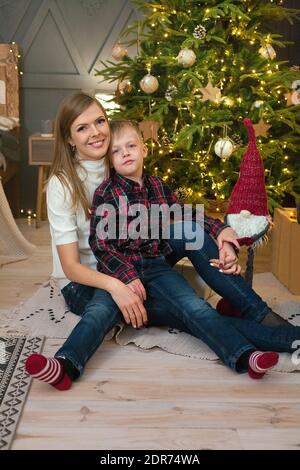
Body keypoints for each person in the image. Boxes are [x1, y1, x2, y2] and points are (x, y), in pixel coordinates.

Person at [24, 93, 292, 391]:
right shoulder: (64, 184)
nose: (96, 132)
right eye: (82, 128)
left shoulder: (119, 163)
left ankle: (257, 312)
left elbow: (176, 211)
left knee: (191, 236)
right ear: (70, 139)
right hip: (91, 280)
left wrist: (220, 231)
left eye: (100, 121)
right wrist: (118, 286)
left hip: (143, 259)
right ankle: (274, 343)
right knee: (188, 312)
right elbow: (73, 265)